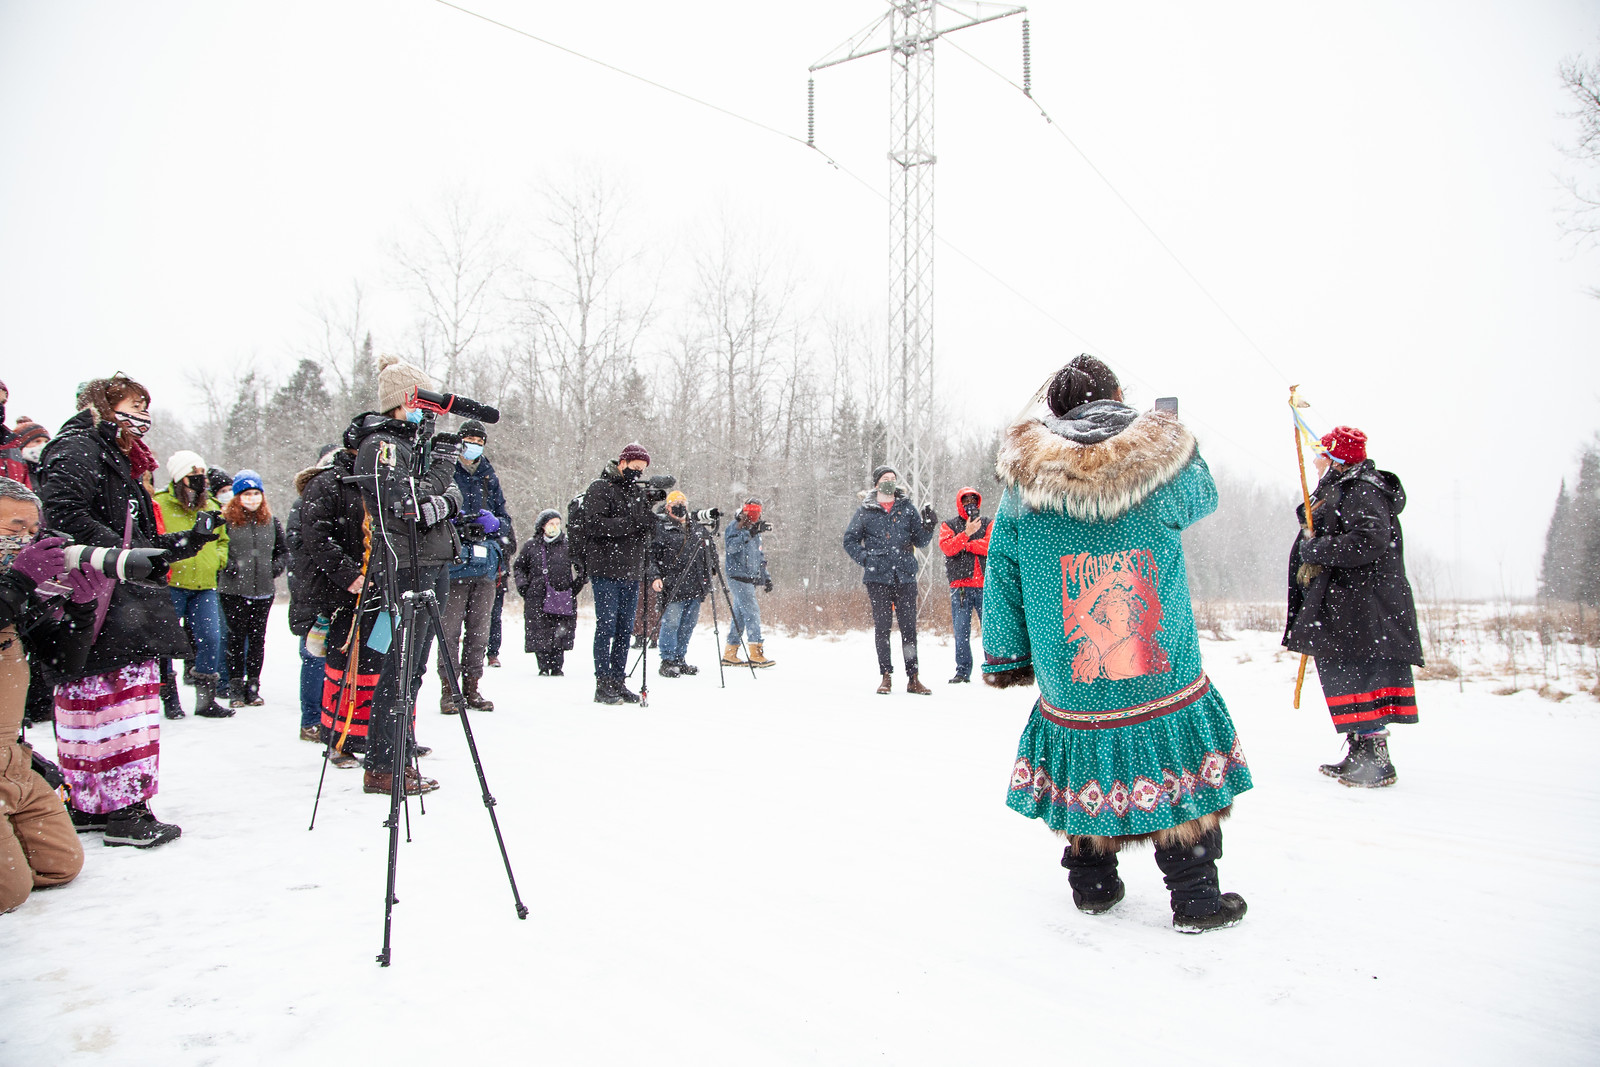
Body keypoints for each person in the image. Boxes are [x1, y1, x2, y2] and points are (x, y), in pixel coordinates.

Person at [983, 354, 1251, 933]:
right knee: (1173, 761)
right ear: (1117, 395)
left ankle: (1094, 886)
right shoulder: (1157, 463)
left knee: (1083, 758)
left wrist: (1008, 657)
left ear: (1055, 409)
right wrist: (1172, 435)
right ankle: (1196, 898)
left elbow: (1000, 570)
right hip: (1160, 662)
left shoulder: (1022, 486)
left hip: (1070, 667)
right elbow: (1202, 496)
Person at [37, 373, 211, 847]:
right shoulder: (78, 449)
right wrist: (119, 556)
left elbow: (142, 543)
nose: (143, 417)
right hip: (99, 599)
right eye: (135, 405)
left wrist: (185, 543)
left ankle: (94, 805)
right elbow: (64, 516)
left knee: (98, 702)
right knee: (117, 706)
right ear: (103, 405)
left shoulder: (117, 458)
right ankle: (126, 811)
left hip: (112, 599)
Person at [345, 353, 462, 795]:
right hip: (406, 567)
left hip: (431, 562)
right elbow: (408, 505)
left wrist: (443, 495)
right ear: (401, 402)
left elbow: (443, 498)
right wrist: (443, 471)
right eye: (421, 404)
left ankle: (398, 747)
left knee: (413, 669)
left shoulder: (411, 444)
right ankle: (382, 764)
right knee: (400, 666)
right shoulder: (382, 446)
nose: (427, 414)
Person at [1284, 425, 1422, 788]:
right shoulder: (1345, 487)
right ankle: (1361, 751)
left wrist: (1315, 550)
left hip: (1359, 607)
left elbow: (1369, 539)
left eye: (1321, 455)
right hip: (1349, 606)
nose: (1314, 461)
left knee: (1357, 674)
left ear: (1336, 460)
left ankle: (1374, 760)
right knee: (1348, 674)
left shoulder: (1362, 489)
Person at [0, 478, 93, 909]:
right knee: (10, 891)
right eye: (13, 527)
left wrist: (80, 607)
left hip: (11, 761)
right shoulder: (12, 587)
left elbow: (61, 668)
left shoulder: (13, 593)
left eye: (31, 531)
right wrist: (18, 583)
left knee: (60, 865)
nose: (24, 540)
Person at [293, 440, 371, 759]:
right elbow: (312, 541)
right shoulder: (325, 486)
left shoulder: (376, 484)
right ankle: (335, 736)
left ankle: (365, 735)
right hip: (337, 591)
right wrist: (348, 575)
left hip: (374, 586)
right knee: (338, 664)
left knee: (369, 667)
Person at [436, 420, 512, 715]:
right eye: (469, 440)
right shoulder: (445, 472)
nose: (474, 445)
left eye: (479, 441)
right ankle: (449, 690)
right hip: (452, 565)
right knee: (449, 631)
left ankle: (472, 687)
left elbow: (505, 522)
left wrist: (493, 524)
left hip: (484, 566)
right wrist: (454, 521)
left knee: (479, 631)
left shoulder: (488, 476)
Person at [572, 442, 657, 705]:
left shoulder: (636, 492)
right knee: (606, 626)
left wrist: (649, 523)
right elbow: (595, 525)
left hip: (631, 570)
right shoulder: (600, 487)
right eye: (634, 467)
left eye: (641, 470)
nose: (637, 473)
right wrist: (633, 523)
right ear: (622, 463)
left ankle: (618, 681)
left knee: (624, 629)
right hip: (606, 569)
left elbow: (642, 530)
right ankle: (603, 683)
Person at [842, 465, 937, 695]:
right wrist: (867, 559)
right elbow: (849, 540)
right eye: (885, 479)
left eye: (893, 479)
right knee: (882, 629)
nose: (889, 482)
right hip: (878, 578)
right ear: (876, 484)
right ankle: (886, 676)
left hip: (905, 576)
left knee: (909, 629)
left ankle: (913, 678)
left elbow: (921, 541)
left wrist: (929, 526)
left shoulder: (907, 508)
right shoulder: (866, 511)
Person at [153, 451, 232, 718]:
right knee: (166, 642)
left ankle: (205, 700)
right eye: (193, 476)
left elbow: (222, 539)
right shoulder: (160, 504)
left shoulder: (210, 504)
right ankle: (169, 698)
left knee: (211, 638)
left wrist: (219, 559)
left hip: (205, 584)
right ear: (179, 478)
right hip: (171, 583)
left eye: (202, 475)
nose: (200, 481)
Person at [216, 470, 287, 709]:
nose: (253, 497)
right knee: (236, 639)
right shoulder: (225, 522)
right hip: (233, 590)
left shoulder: (272, 522)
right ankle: (235, 687)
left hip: (263, 590)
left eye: (256, 493)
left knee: (257, 640)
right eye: (247, 493)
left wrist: (274, 567)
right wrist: (228, 566)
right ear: (238, 496)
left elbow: (282, 551)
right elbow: (217, 549)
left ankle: (253, 687)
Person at [285, 445, 341, 742]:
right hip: (312, 592)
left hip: (330, 590)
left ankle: (331, 718)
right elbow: (301, 551)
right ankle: (311, 720)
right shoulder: (305, 503)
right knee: (314, 658)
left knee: (330, 660)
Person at [651, 491, 713, 677]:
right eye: (676, 503)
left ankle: (680, 658)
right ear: (668, 507)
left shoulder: (697, 527)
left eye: (683, 502)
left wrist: (711, 571)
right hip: (673, 584)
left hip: (695, 584)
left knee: (688, 624)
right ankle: (668, 659)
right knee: (671, 623)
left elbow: (710, 549)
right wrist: (655, 576)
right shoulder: (661, 527)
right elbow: (652, 555)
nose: (681, 506)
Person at [514, 509, 582, 675]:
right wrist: (524, 586)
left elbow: (582, 568)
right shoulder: (531, 545)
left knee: (561, 630)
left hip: (562, 595)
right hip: (537, 595)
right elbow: (519, 567)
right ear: (542, 526)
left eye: (557, 523)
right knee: (540, 630)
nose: (554, 527)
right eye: (551, 523)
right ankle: (543, 666)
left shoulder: (569, 544)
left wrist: (574, 587)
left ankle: (557, 666)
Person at [939, 487, 991, 683]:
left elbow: (990, 546)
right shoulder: (949, 524)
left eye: (972, 500)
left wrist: (966, 544)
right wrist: (966, 533)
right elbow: (948, 548)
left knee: (990, 630)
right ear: (960, 503)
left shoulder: (988, 523)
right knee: (961, 631)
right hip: (960, 586)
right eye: (966, 500)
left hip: (986, 585)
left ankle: (992, 669)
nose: (970, 504)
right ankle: (962, 671)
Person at [722, 499, 775, 668]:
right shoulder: (735, 527)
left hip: (750, 577)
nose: (755, 516)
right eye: (752, 513)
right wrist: (749, 533)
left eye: (757, 513)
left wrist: (766, 577)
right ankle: (755, 651)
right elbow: (731, 547)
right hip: (737, 577)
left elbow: (759, 556)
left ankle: (730, 653)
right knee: (752, 612)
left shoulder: (755, 531)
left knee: (739, 615)